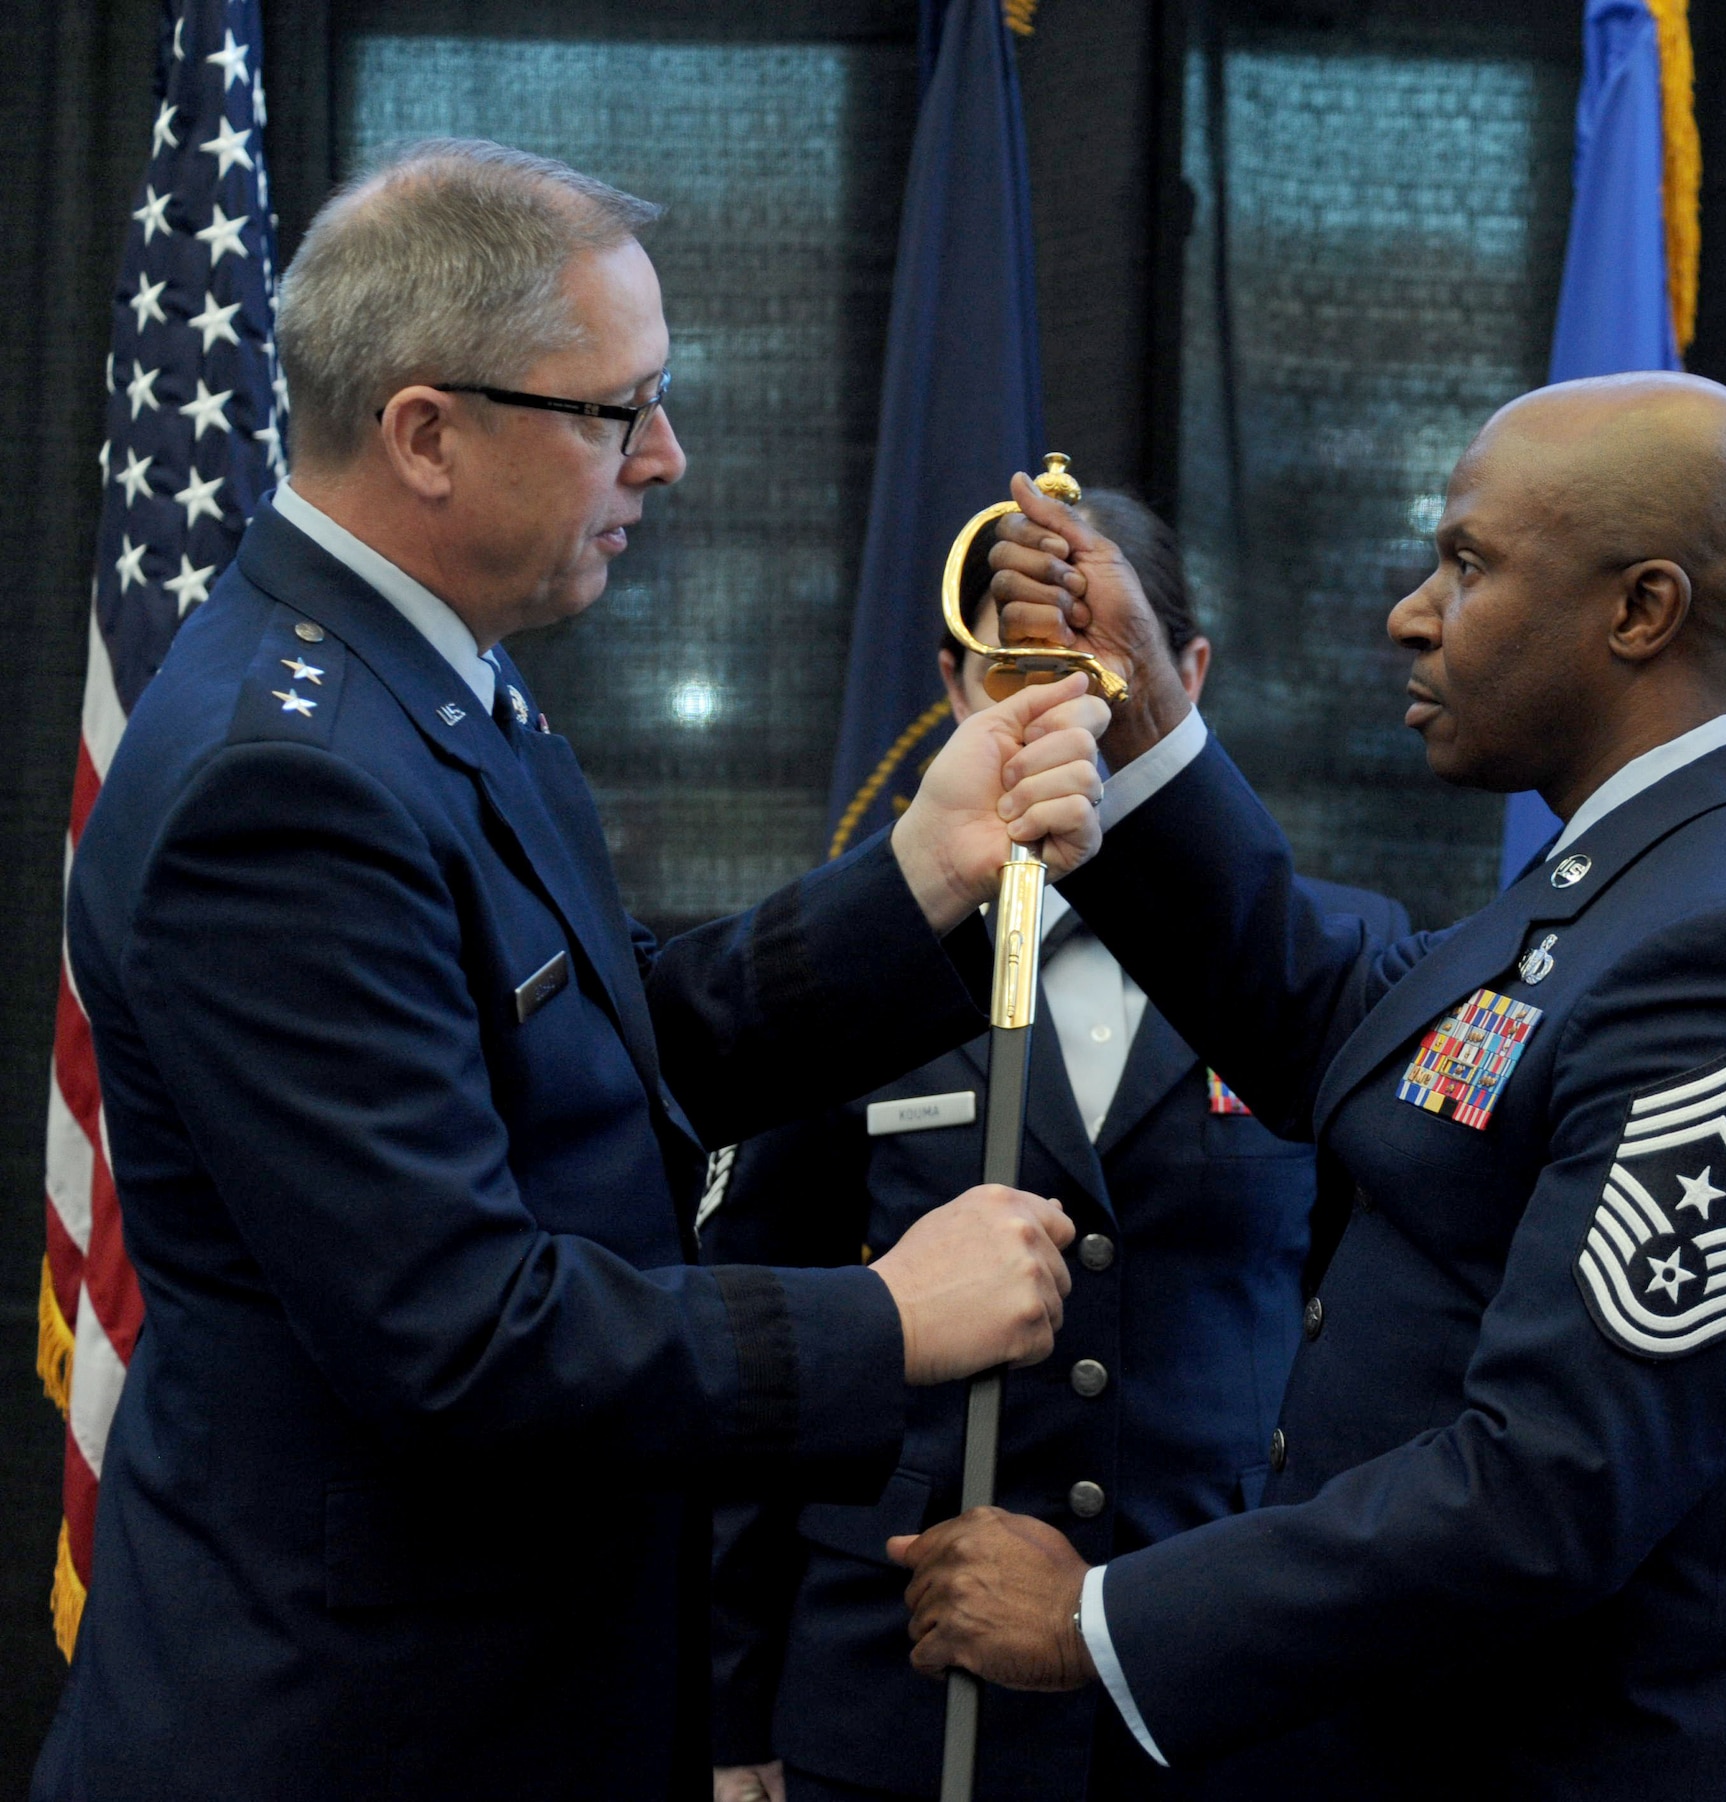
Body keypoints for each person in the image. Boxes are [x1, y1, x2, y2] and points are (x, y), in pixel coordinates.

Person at [34, 140, 1114, 1802]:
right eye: (619, 409)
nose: (665, 458)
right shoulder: (289, 781)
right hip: (361, 1728)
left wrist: (918, 877)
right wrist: (886, 1317)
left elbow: (604, 1055)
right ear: (426, 432)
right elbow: (462, 1335)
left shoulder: (430, 680)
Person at [892, 372, 1726, 1801]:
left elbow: (1550, 1490)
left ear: (1640, 612)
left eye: (1468, 562)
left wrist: (1097, 1619)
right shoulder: (1642, 869)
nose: (1412, 612)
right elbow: (1368, 1033)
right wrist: (1138, 722)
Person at [703, 492, 1410, 1802]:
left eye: (1083, 672)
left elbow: (1371, 1328)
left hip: (1212, 1672)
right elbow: (758, 1343)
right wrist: (732, 1699)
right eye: (1004, 669)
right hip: (902, 1688)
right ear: (953, 686)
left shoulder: (1318, 972)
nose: (1038, 710)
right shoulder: (843, 961)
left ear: (1182, 678)